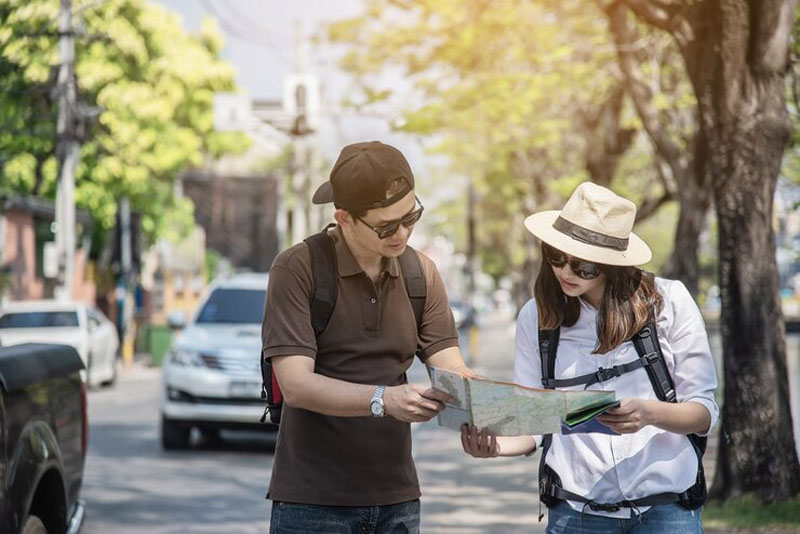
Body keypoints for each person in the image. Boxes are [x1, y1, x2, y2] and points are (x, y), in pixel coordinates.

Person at [461, 182, 719, 533]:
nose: (565, 272)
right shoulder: (536, 318)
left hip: (666, 509)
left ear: (612, 265)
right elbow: (533, 420)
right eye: (556, 257)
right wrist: (494, 447)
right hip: (576, 512)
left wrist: (648, 414)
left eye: (582, 266)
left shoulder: (668, 302)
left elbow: (703, 412)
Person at [262, 141, 471, 534]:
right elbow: (296, 385)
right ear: (344, 218)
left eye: (411, 216)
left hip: (398, 501)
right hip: (313, 503)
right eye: (387, 226)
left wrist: (490, 415)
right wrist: (384, 399)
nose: (403, 233)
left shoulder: (420, 273)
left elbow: (451, 367)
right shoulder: (297, 268)